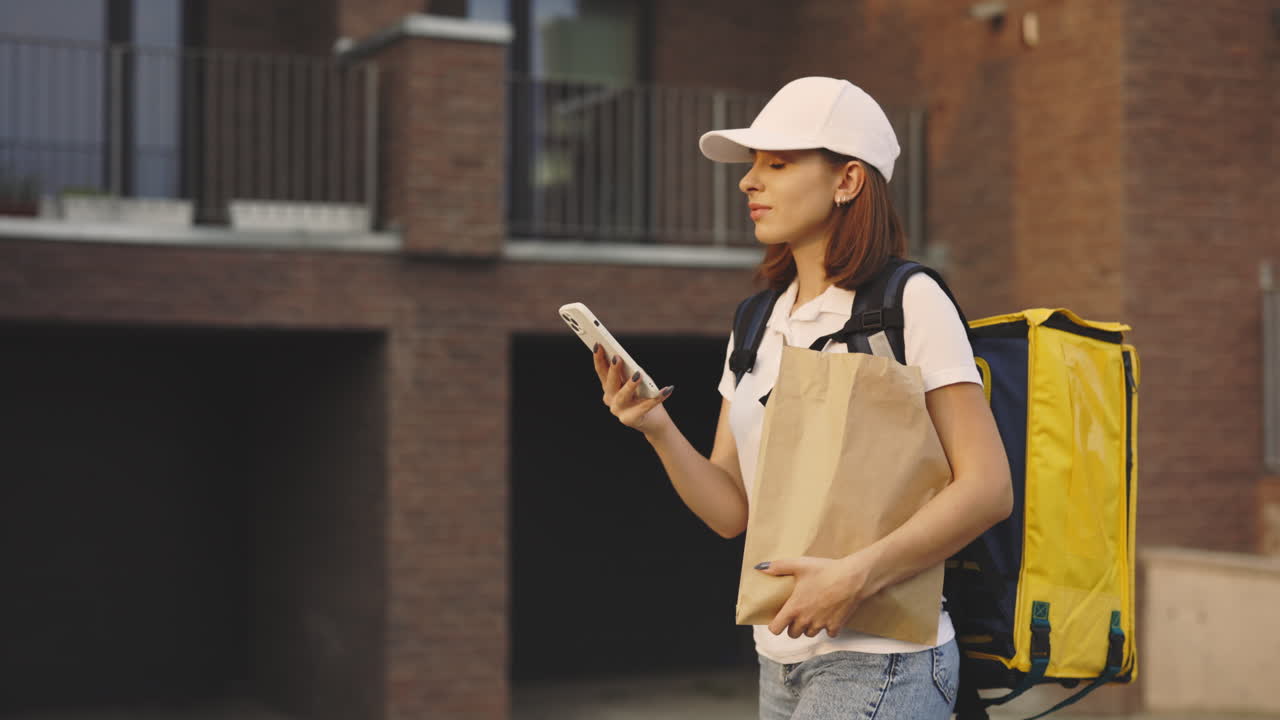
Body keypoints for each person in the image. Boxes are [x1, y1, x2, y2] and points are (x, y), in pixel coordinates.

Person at [589, 76, 1013, 719]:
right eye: (753, 165)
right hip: (778, 659)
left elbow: (987, 488)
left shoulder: (906, 301)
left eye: (777, 164)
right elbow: (732, 511)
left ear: (848, 181)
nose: (748, 182)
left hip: (884, 657)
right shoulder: (756, 320)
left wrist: (854, 576)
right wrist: (657, 427)